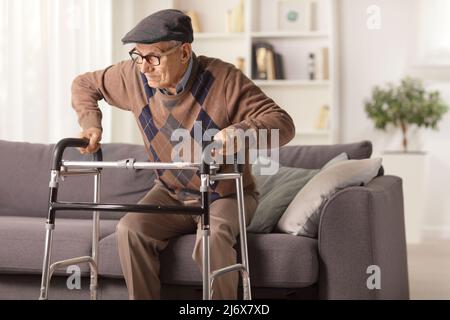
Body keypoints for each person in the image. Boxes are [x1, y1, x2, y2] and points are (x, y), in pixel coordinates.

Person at [71, 9, 295, 300]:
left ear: (184, 51)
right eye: (137, 56)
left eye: (153, 57)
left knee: (211, 237)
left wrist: (240, 132)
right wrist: (90, 125)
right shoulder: (134, 77)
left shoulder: (224, 79)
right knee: (130, 230)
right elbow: (84, 84)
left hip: (224, 194)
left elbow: (283, 125)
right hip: (170, 193)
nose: (144, 67)